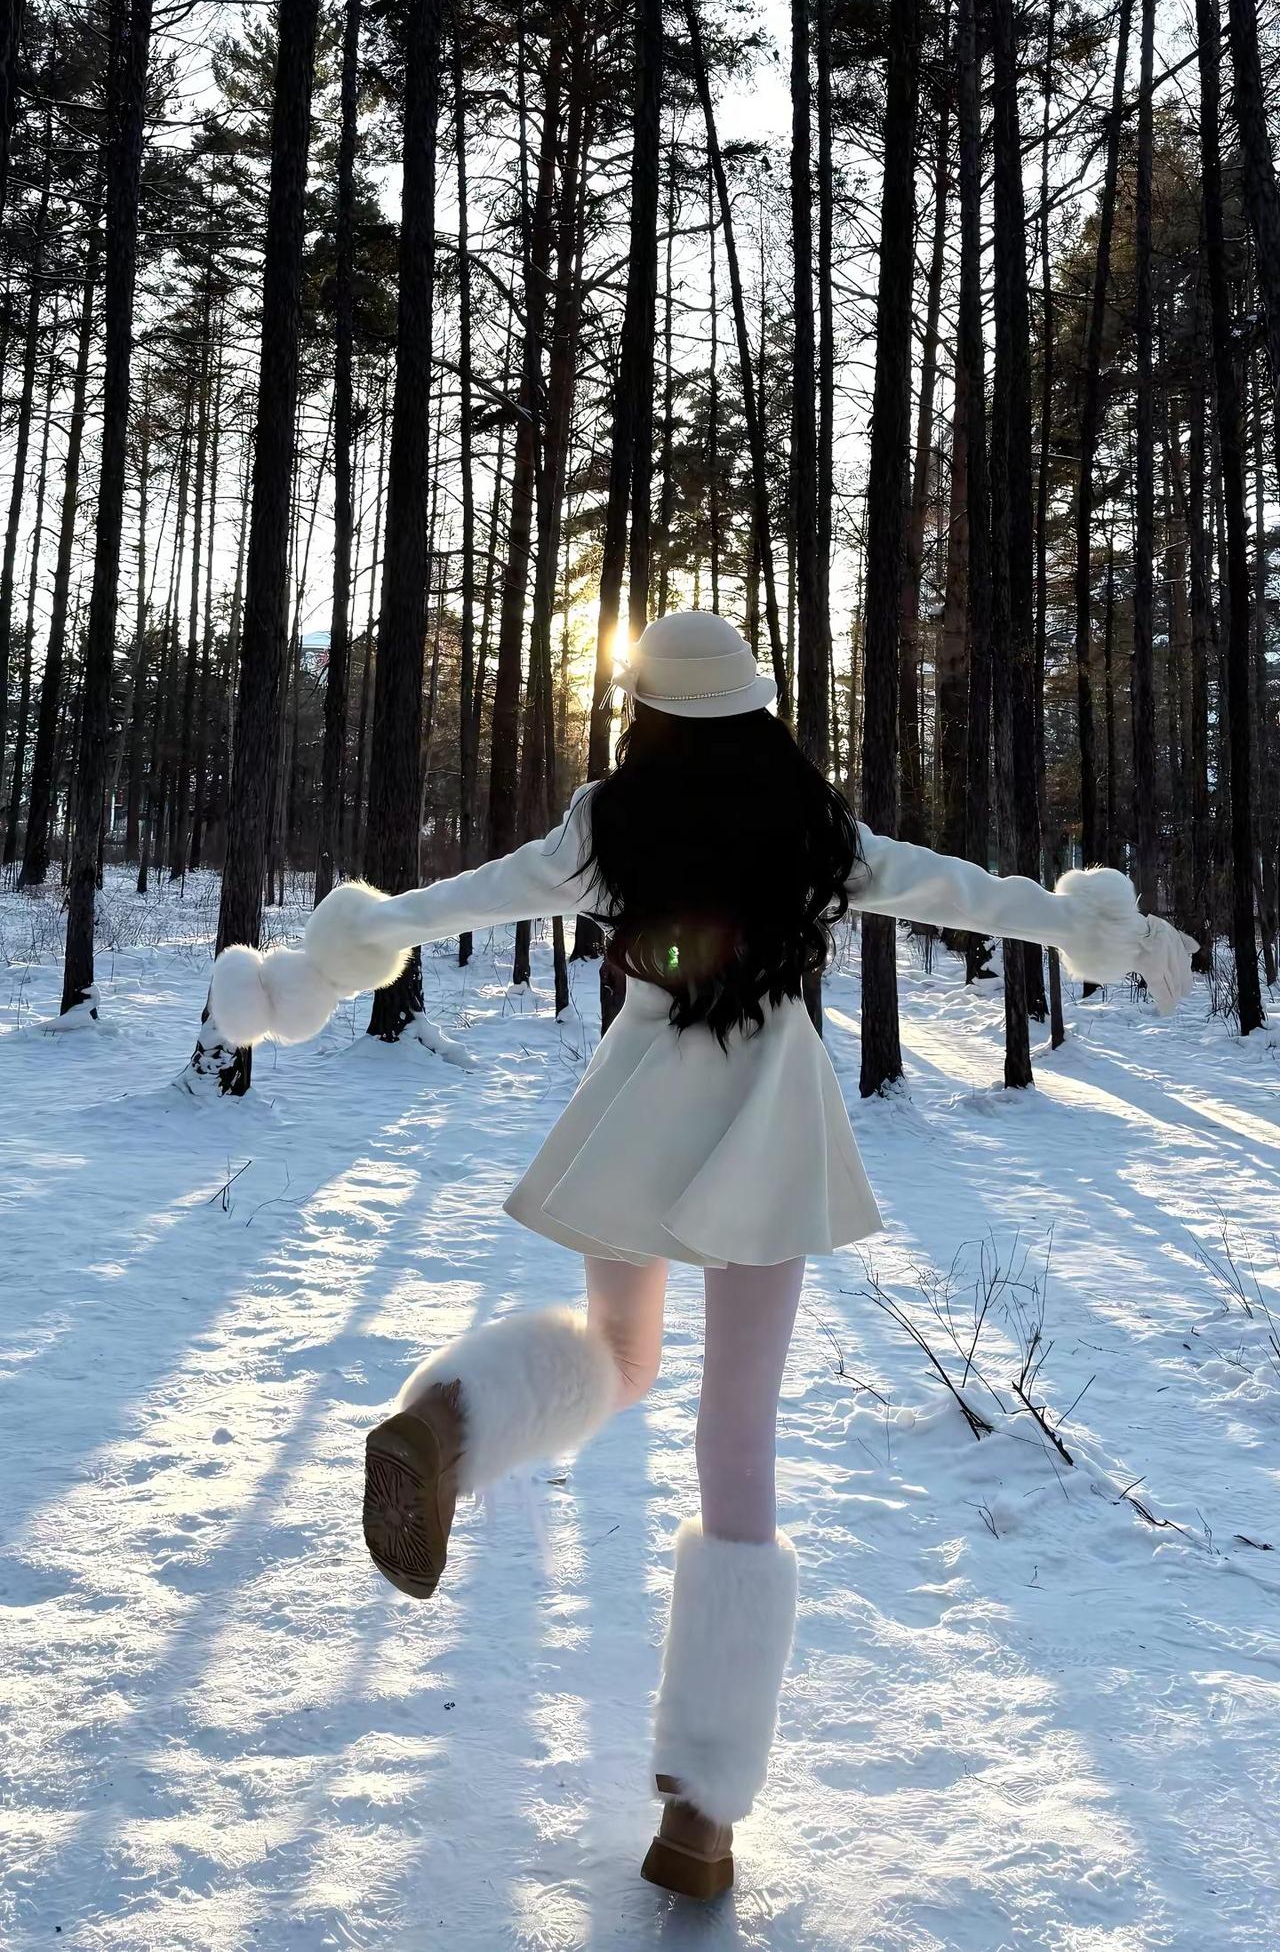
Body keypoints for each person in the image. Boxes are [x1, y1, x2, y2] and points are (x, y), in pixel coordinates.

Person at [211, 608, 1194, 1901]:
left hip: (638, 1117)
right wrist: (1099, 931)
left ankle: (447, 1424)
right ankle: (701, 1812)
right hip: (762, 1137)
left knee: (621, 1357)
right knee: (736, 1439)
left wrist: (328, 957)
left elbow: (468, 897)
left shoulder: (606, 824)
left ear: (648, 715)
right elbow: (963, 889)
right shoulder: (816, 829)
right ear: (754, 709)